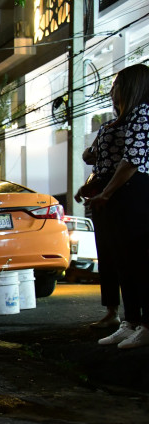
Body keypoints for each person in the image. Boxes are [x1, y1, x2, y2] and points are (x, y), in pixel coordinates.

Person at [88, 64, 149, 349]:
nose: (113, 91)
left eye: (117, 85)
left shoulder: (142, 112)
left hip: (134, 192)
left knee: (137, 261)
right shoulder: (126, 117)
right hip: (121, 193)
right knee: (124, 261)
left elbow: (133, 159)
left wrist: (106, 194)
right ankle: (131, 321)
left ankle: (143, 325)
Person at [75, 114, 125, 330]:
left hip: (124, 189)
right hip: (101, 187)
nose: (114, 93)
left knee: (128, 254)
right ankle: (112, 311)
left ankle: (134, 316)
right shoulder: (108, 125)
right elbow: (91, 158)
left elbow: (132, 159)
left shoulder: (137, 119)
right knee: (105, 252)